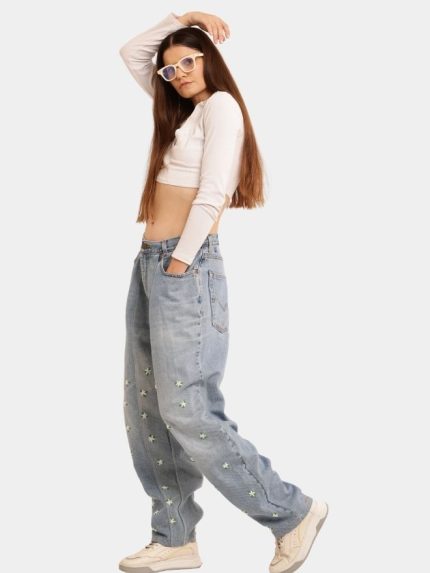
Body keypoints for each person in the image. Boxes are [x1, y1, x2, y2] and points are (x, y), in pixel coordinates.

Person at [118, 10, 328, 573]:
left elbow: (213, 192)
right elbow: (132, 55)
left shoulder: (222, 108)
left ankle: (291, 512)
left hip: (184, 268)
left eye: (188, 60)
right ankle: (174, 537)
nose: (179, 73)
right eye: (170, 69)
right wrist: (178, 18)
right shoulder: (183, 114)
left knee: (188, 408)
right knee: (147, 409)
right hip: (151, 266)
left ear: (208, 58)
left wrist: (180, 262)